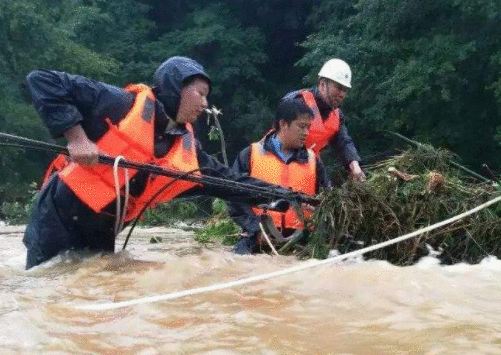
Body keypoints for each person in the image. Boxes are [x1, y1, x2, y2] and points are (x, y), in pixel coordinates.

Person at [23, 56, 300, 269]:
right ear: (175, 87)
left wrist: (280, 196)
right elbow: (42, 80)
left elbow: (229, 182)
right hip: (57, 219)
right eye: (200, 93)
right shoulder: (119, 104)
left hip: (102, 232)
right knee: (49, 289)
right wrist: (77, 138)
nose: (205, 104)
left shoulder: (189, 156)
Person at [227, 98, 330, 254]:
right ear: (283, 124)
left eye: (308, 127)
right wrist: (256, 229)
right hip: (257, 238)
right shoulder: (250, 154)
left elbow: (328, 201)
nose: (306, 133)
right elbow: (233, 197)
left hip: (302, 240)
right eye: (301, 126)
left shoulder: (314, 162)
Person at [281, 58, 366, 182]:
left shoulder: (337, 116)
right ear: (322, 84)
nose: (342, 94)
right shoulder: (297, 102)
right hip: (280, 167)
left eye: (345, 90)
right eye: (339, 87)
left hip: (307, 172)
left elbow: (344, 142)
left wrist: (355, 167)